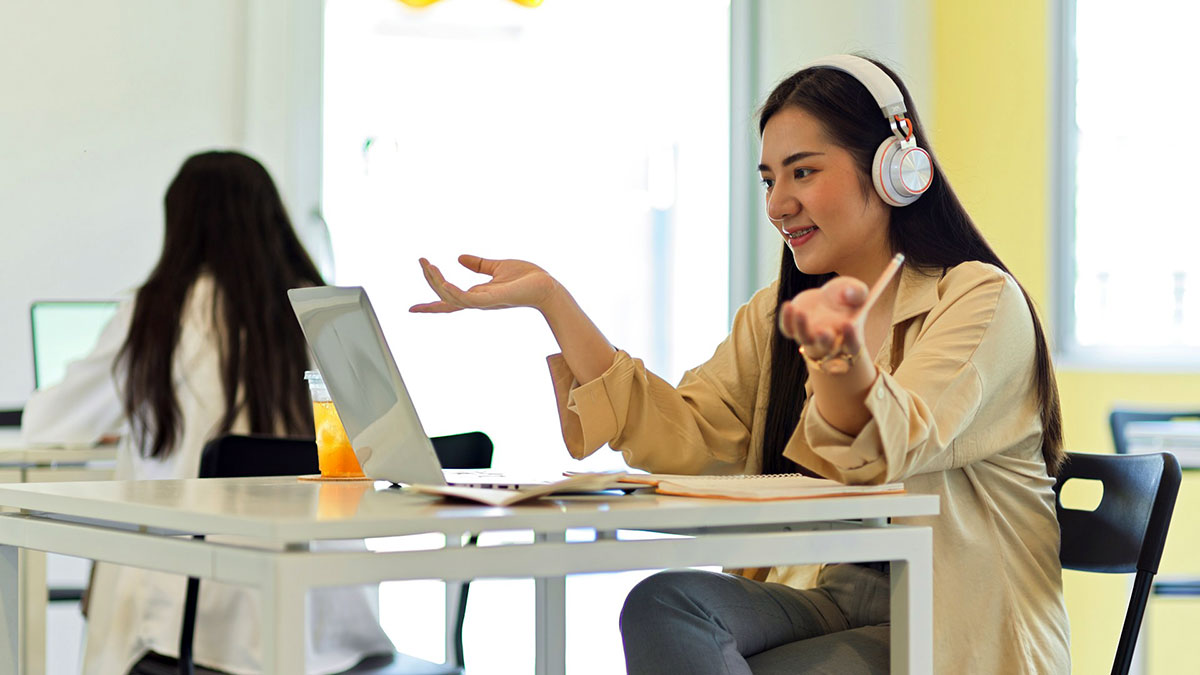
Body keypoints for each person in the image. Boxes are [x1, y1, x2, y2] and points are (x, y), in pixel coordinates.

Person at [410, 54, 1070, 673]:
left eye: (802, 171)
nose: (778, 202)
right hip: (830, 594)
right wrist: (554, 302)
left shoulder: (979, 301)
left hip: (948, 622)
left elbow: (890, 445)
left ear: (897, 167)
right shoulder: (778, 315)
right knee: (665, 605)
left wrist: (839, 359)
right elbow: (682, 429)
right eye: (769, 178)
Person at [22, 151, 396, 675]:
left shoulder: (156, 312)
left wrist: (133, 422)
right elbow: (390, 444)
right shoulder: (330, 310)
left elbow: (47, 424)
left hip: (190, 630)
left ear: (181, 227)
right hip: (329, 629)